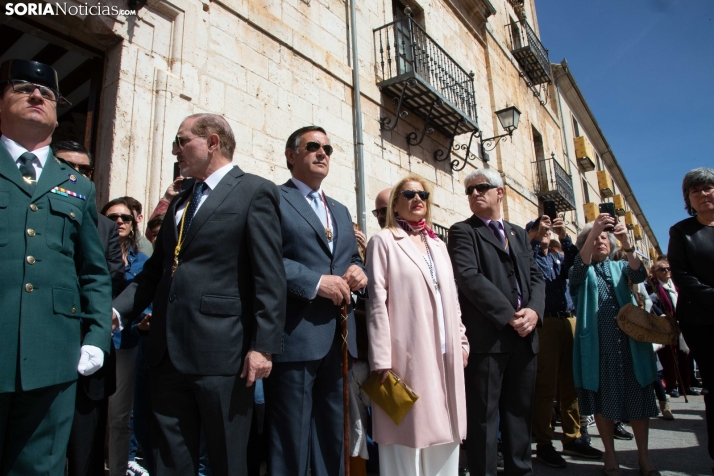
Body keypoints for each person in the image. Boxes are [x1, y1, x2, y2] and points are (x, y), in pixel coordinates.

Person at [113, 113, 286, 476]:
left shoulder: (254, 190)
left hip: (223, 354)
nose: (175, 149)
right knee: (169, 457)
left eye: (182, 140)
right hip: (166, 353)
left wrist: (263, 346)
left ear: (212, 142)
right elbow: (156, 271)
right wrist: (117, 311)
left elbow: (269, 276)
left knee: (226, 458)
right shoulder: (181, 201)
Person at [0, 59, 112, 475]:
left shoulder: (78, 186)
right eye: (23, 87)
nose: (36, 96)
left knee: (41, 466)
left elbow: (94, 271)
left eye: (46, 93)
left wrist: (97, 337)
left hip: (53, 353)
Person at [266, 125, 367, 476]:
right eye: (312, 146)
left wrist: (358, 271)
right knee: (290, 436)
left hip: (339, 339)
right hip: (296, 335)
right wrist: (314, 282)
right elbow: (264, 258)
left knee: (332, 432)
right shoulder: (273, 198)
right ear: (292, 155)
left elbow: (350, 257)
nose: (322, 153)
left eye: (327, 147)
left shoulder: (338, 209)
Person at [366, 175, 469, 475]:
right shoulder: (384, 241)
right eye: (408, 193)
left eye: (422, 193)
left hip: (447, 353)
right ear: (395, 204)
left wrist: (462, 341)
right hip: (406, 354)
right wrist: (382, 358)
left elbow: (452, 297)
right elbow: (377, 303)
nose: (417, 198)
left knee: (446, 436)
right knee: (405, 439)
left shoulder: (438, 246)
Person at [448, 168, 545, 476]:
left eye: (481, 187)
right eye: (470, 190)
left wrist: (534, 311)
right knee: (484, 419)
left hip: (526, 337)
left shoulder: (517, 233)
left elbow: (536, 277)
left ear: (499, 192)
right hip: (489, 339)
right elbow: (469, 277)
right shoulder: (463, 231)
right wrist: (509, 316)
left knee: (520, 414)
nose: (474, 193)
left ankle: (520, 471)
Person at [52, 141, 125, 476]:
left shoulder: (105, 227)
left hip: (88, 345)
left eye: (83, 170)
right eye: (67, 165)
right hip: (43, 344)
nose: (75, 174)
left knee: (85, 448)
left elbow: (107, 276)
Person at [569, 214, 659, 476]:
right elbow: (578, 269)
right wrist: (595, 228)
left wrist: (625, 242)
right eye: (594, 239)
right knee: (601, 403)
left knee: (639, 400)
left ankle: (645, 458)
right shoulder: (580, 269)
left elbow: (640, 273)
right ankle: (610, 455)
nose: (600, 242)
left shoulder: (621, 266)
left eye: (604, 238)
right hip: (598, 348)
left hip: (630, 345)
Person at [525, 215, 602, 468]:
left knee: (571, 383)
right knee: (546, 385)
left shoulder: (558, 257)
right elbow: (526, 262)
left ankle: (573, 437)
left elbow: (576, 265)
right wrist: (536, 237)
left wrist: (564, 237)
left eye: (546, 228)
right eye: (538, 227)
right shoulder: (530, 255)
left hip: (569, 320)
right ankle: (544, 443)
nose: (545, 230)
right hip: (545, 322)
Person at [668, 167, 714, 469]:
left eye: (708, 188)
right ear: (689, 199)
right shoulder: (681, 232)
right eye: (695, 191)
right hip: (702, 322)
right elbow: (681, 276)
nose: (703, 194)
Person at [101, 197, 149, 476]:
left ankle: (117, 470)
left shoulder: (143, 262)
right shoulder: (88, 252)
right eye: (111, 217)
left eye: (125, 218)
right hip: (89, 341)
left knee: (120, 417)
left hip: (126, 344)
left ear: (133, 224)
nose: (118, 221)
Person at [650, 257, 698, 398]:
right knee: (669, 358)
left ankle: (686, 385)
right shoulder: (654, 288)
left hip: (681, 324)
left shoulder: (675, 286)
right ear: (656, 273)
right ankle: (672, 386)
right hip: (666, 326)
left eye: (668, 269)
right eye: (663, 269)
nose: (667, 272)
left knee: (685, 355)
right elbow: (653, 306)